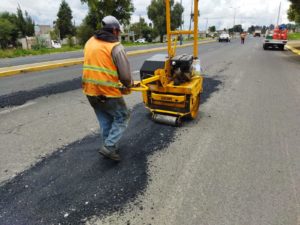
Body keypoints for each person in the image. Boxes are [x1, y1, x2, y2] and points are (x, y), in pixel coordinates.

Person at [82, 15, 133, 161]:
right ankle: (109, 147)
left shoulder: (90, 42)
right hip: (107, 92)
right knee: (123, 116)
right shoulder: (115, 47)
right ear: (115, 31)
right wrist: (128, 85)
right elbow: (125, 76)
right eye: (119, 32)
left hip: (90, 90)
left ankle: (108, 145)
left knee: (105, 119)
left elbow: (98, 65)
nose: (119, 35)